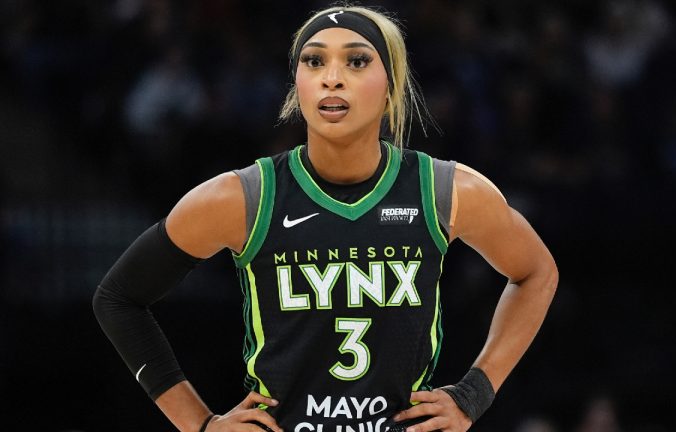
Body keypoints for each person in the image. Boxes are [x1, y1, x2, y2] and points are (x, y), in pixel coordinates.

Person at [93, 5, 558, 432]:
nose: (331, 78)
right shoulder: (241, 197)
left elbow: (537, 272)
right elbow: (118, 297)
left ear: (392, 83)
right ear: (297, 84)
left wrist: (473, 394)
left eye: (356, 61)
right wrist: (199, 424)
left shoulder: (447, 191)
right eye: (314, 61)